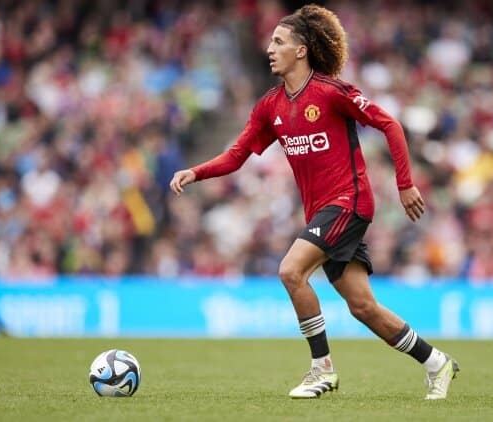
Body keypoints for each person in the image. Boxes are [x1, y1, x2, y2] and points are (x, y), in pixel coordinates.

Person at [170, 4, 458, 400]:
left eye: (278, 42)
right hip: (323, 212)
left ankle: (322, 370)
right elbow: (236, 156)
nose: (269, 48)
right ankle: (436, 362)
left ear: (301, 50)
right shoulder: (270, 106)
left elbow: (389, 124)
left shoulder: (331, 92)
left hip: (349, 202)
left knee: (291, 271)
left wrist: (405, 184)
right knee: (363, 307)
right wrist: (195, 171)